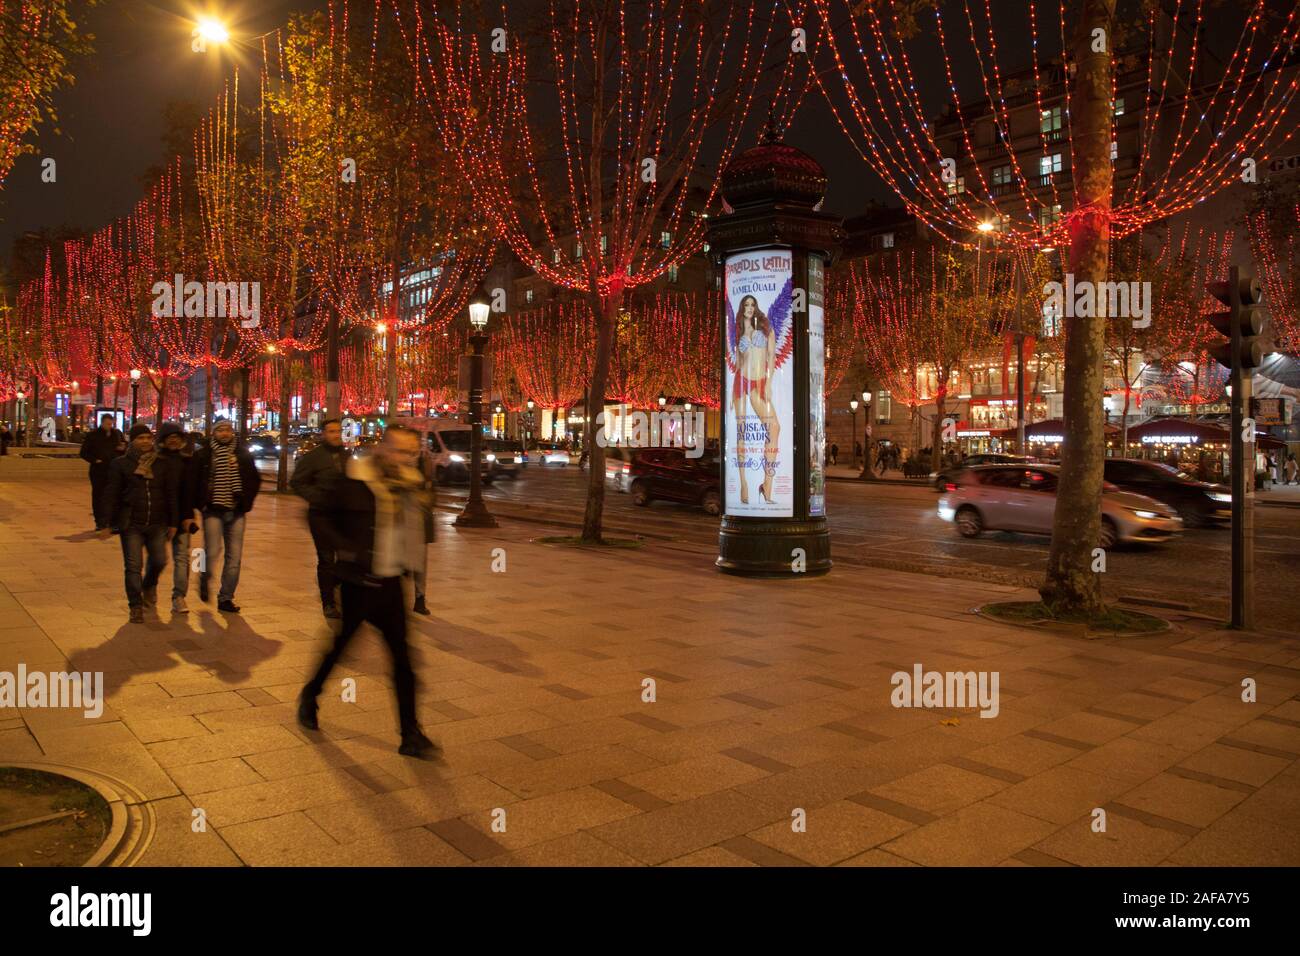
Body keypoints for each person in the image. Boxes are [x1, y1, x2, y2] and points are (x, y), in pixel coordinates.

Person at [297, 425, 436, 757]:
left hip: (389, 583)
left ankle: (410, 734)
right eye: (399, 451)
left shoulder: (410, 487)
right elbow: (317, 515)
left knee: (402, 660)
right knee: (340, 649)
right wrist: (344, 551)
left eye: (411, 452)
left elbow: (417, 532)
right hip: (360, 583)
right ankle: (310, 694)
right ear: (381, 448)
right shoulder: (354, 481)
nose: (405, 458)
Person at [99, 425, 179, 623]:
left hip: (157, 522)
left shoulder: (162, 463)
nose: (145, 441)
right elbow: (111, 493)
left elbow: (170, 493)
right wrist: (105, 522)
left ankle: (149, 585)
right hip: (131, 523)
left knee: (160, 560)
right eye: (140, 438)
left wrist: (173, 521)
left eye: (147, 437)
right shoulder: (121, 464)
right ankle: (135, 605)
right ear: (132, 440)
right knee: (134, 566)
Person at [193, 420, 261, 613]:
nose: (224, 433)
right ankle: (203, 577)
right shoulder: (204, 454)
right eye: (220, 430)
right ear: (213, 433)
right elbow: (195, 481)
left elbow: (254, 479)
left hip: (236, 511)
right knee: (211, 551)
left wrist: (246, 502)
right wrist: (201, 504)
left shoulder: (242, 454)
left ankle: (226, 598)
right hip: (213, 510)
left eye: (228, 430)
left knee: (234, 557)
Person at [290, 418, 349, 619]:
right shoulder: (313, 457)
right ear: (324, 434)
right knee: (326, 559)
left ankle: (331, 586)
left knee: (344, 559)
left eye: (338, 431)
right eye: (331, 431)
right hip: (321, 516)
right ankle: (329, 603)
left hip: (342, 517)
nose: (336, 435)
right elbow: (297, 482)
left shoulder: (345, 455)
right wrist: (317, 497)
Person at [158, 423, 201, 614]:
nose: (173, 440)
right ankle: (148, 588)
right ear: (163, 440)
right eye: (169, 437)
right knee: (157, 559)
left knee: (182, 558)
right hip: (158, 518)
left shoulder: (188, 462)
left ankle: (179, 597)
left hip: (183, 518)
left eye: (177, 437)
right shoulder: (154, 461)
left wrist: (190, 516)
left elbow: (190, 492)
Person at [80, 414, 126, 531]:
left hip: (113, 470)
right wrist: (95, 460)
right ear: (102, 422)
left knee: (114, 495)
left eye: (111, 424)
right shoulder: (93, 435)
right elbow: (84, 452)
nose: (109, 426)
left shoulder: (116, 434)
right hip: (98, 471)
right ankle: (100, 522)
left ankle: (113, 522)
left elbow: (122, 448)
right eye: (107, 424)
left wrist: (122, 448)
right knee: (98, 496)